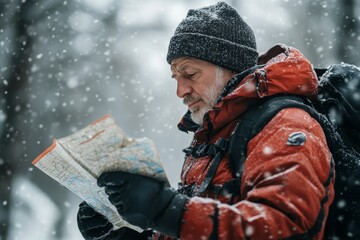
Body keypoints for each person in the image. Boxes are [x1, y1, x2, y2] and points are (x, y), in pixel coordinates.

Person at [77, 2, 335, 239]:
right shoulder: (216, 134)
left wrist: (164, 209)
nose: (180, 91)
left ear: (230, 69)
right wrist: (122, 236)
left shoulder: (285, 125)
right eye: (175, 77)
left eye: (190, 74)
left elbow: (284, 228)